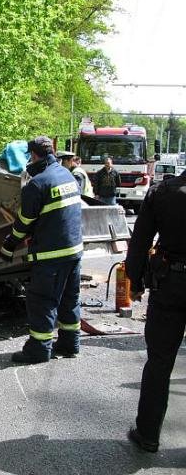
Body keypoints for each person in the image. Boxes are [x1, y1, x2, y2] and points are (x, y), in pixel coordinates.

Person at [0, 136, 83, 364]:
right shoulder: (68, 175)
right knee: (69, 298)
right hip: (74, 251)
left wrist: (8, 246)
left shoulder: (37, 184)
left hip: (51, 256)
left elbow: (23, 223)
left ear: (34, 155)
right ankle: (70, 343)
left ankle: (39, 349)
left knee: (41, 301)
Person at [125, 169, 186, 453]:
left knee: (160, 362)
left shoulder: (162, 193)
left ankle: (148, 434)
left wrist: (135, 282)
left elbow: (140, 242)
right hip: (169, 285)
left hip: (169, 286)